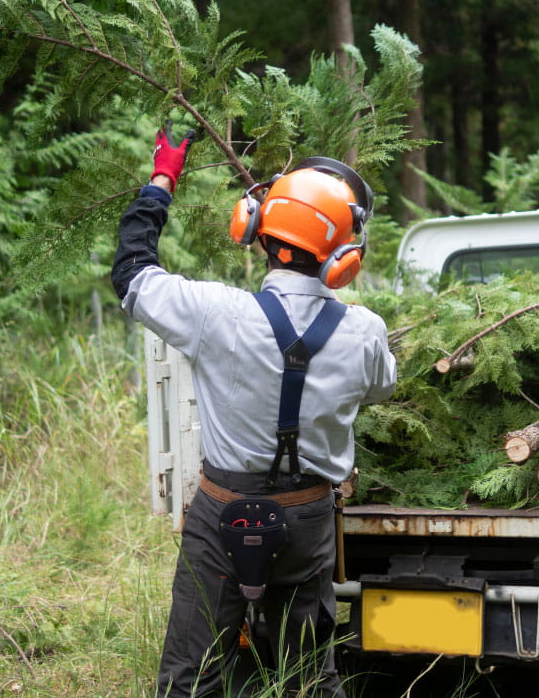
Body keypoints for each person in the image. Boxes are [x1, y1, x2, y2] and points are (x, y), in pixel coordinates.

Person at [111, 122, 397, 697]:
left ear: (254, 229)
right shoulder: (365, 331)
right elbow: (381, 389)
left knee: (190, 677)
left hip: (222, 513)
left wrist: (162, 180)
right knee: (308, 678)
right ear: (344, 258)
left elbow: (132, 272)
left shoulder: (213, 313)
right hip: (307, 517)